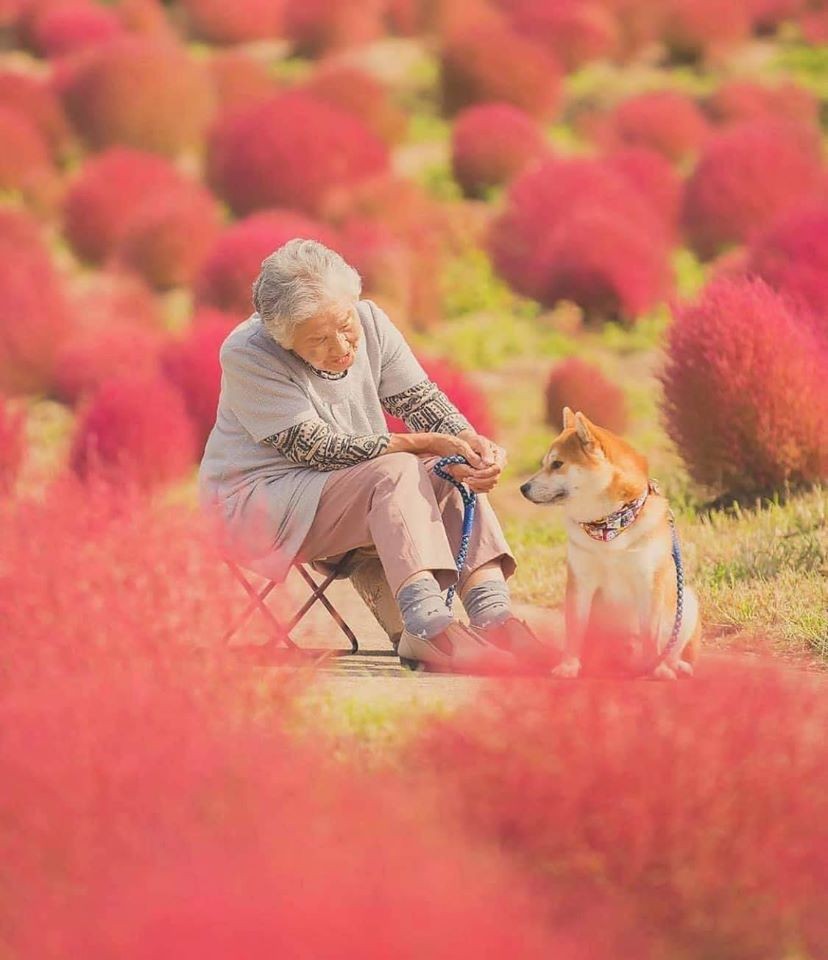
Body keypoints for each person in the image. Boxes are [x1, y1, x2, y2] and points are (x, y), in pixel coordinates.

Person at [199, 238, 548, 672]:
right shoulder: (247, 353)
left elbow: (422, 403)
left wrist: (470, 445)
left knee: (448, 471)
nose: (342, 348)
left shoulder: (372, 323)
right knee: (399, 469)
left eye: (345, 326)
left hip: (350, 493)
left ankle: (494, 616)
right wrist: (422, 443)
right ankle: (428, 628)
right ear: (284, 341)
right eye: (318, 340)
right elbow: (319, 449)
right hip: (257, 506)